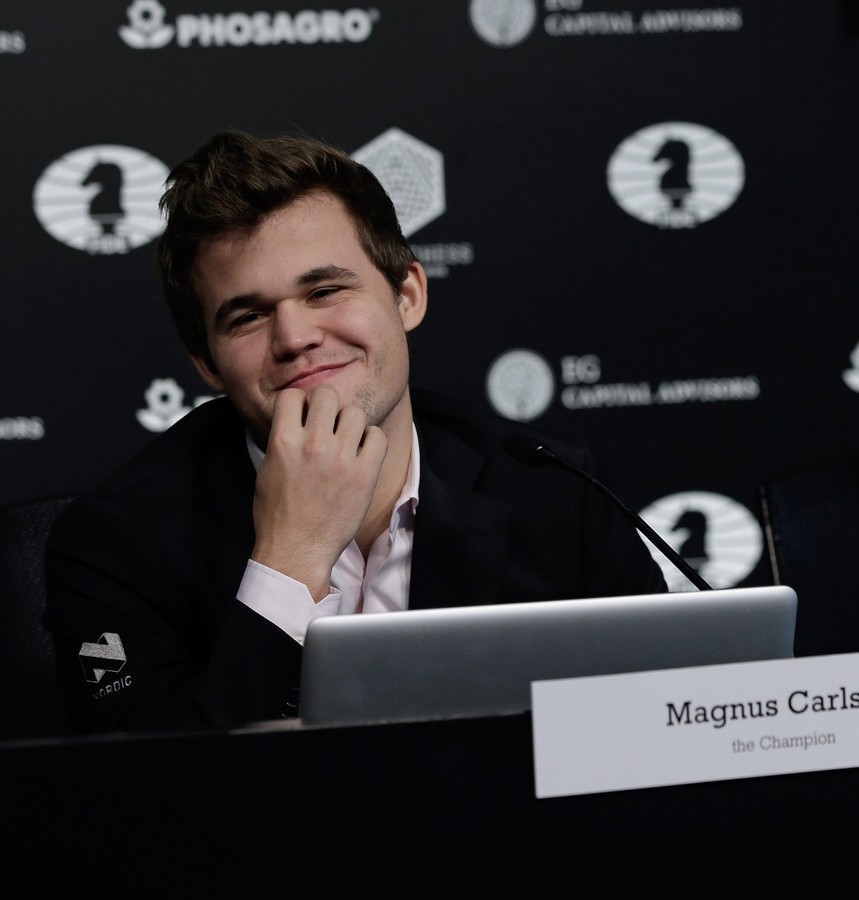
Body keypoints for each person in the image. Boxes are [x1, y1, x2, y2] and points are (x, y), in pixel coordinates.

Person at [44, 131, 668, 732]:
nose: (294, 338)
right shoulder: (118, 541)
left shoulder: (556, 492)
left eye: (324, 290)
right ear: (205, 363)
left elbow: (662, 725)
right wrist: (291, 561)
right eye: (249, 316)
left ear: (407, 296)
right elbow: (153, 804)